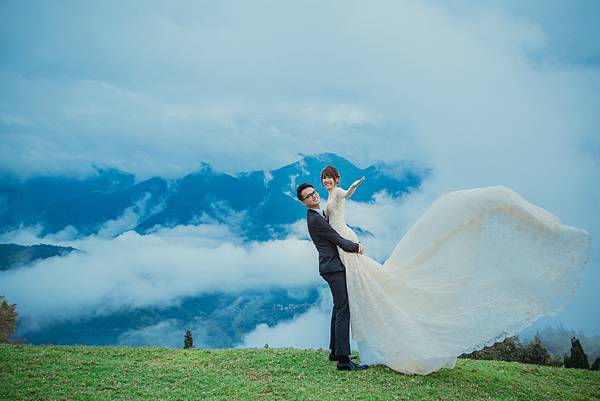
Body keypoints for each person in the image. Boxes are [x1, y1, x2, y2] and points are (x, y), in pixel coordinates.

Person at [312, 164, 592, 375]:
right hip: (343, 250)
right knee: (353, 299)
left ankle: (344, 353)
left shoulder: (335, 193)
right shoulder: (322, 204)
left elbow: (343, 201)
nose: (326, 181)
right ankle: (340, 353)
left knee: (361, 295)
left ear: (335, 180)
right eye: (323, 178)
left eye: (329, 177)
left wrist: (351, 236)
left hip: (347, 246)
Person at [297, 182, 368, 371]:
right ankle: (343, 361)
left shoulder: (316, 215)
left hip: (330, 267)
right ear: (303, 202)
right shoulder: (316, 219)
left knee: (339, 307)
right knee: (344, 308)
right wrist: (356, 247)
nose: (313, 196)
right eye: (308, 196)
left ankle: (336, 351)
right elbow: (336, 238)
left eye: (314, 192)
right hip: (333, 268)